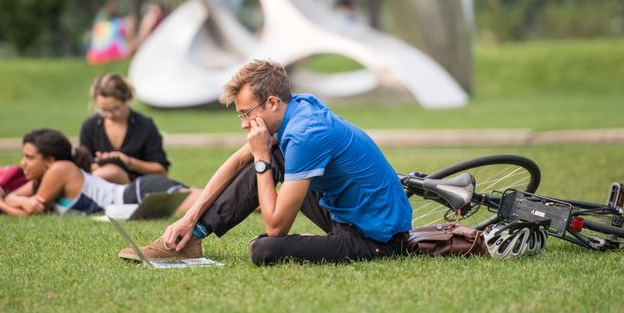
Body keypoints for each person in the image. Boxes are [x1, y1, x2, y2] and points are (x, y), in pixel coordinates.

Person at [119, 60, 412, 265]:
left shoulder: (304, 134)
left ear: (272, 102)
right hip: (344, 213)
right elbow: (236, 162)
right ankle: (193, 238)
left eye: (246, 114)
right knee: (268, 156)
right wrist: (189, 218)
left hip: (375, 238)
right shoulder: (298, 106)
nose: (245, 124)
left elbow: (275, 227)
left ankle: (322, 244)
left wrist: (261, 158)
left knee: (264, 248)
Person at [0, 129, 199, 216]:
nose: (22, 163)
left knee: (210, 202)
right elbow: (21, 200)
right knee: (211, 200)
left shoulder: (60, 169)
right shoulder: (43, 179)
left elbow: (32, 209)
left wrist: (0, 201)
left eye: (29, 157)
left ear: (49, 161)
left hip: (139, 194)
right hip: (134, 202)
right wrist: (13, 198)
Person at [79, 73, 169, 185]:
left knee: (110, 173)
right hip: (100, 188)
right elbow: (82, 168)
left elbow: (161, 170)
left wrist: (128, 162)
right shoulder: (90, 127)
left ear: (127, 100)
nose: (109, 115)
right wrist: (98, 164)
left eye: (115, 109)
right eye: (103, 110)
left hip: (138, 189)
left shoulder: (144, 125)